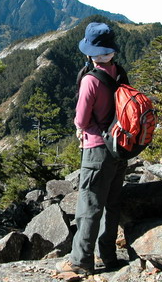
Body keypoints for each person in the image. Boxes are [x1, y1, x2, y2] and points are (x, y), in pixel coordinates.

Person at [56, 22, 129, 276]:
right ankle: (107, 255)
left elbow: (81, 120)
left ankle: (80, 261)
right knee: (111, 203)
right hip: (119, 147)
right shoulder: (119, 72)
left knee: (89, 205)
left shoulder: (90, 80)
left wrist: (80, 127)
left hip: (97, 149)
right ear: (111, 51)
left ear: (90, 52)